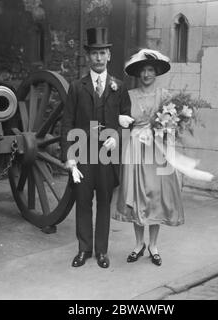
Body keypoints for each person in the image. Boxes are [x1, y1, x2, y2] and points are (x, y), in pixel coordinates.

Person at [61, 27, 131, 268]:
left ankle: (101, 251)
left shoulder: (119, 87)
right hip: (82, 154)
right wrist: (70, 158)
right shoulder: (76, 87)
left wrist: (119, 137)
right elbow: (67, 123)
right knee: (82, 202)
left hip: (107, 157)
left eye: (102, 53)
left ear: (109, 56)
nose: (99, 58)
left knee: (103, 202)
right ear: (88, 57)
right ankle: (84, 250)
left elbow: (127, 120)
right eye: (94, 53)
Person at [114, 49, 184, 266]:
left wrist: (159, 131)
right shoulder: (130, 95)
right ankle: (138, 244)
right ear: (138, 73)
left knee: (154, 196)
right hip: (135, 148)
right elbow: (121, 119)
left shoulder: (165, 96)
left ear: (156, 72)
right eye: (143, 70)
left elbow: (174, 124)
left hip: (156, 151)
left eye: (150, 69)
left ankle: (153, 245)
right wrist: (123, 121)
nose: (146, 74)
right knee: (137, 197)